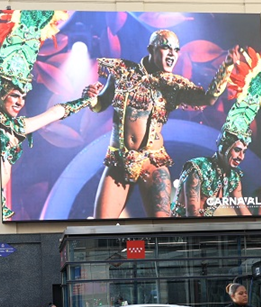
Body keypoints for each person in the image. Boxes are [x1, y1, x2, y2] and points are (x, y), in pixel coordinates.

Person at [88, 30, 242, 219]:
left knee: (163, 228)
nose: (172, 54)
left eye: (176, 50)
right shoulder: (122, 72)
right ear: (150, 49)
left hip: (152, 163)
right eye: (165, 47)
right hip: (120, 160)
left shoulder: (174, 84)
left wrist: (226, 67)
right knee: (101, 224)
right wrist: (92, 99)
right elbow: (101, 104)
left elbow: (209, 99)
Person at [0, 10, 98, 220]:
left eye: (23, 97)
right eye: (15, 95)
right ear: (1, 94)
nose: (20, 102)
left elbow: (53, 113)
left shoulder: (16, 128)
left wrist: (84, 101)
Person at [171, 50, 261, 217]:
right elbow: (192, 215)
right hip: (182, 235)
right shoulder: (197, 167)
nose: (241, 157)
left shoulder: (233, 178)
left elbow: (244, 213)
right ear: (223, 146)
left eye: (243, 151)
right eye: (237, 150)